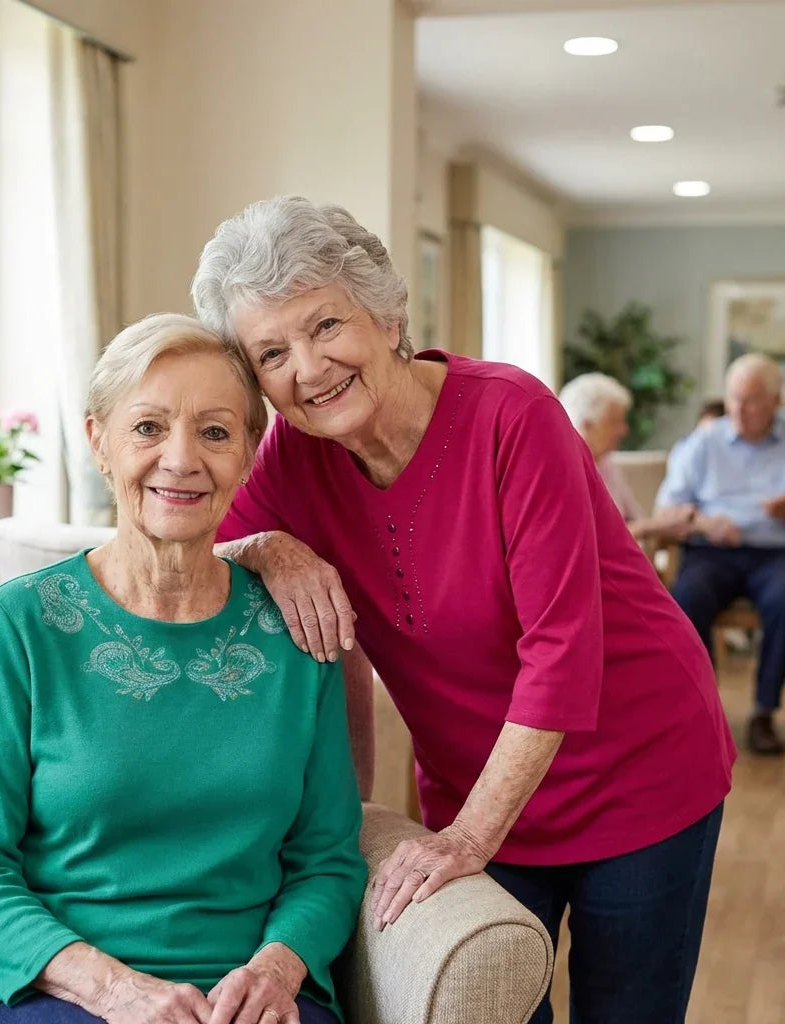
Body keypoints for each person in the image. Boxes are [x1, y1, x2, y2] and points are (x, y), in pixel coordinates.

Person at [191, 196, 735, 1024]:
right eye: (272, 351)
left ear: (386, 312)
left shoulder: (511, 416)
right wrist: (267, 547)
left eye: (326, 324)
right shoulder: (291, 460)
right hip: (471, 782)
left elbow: (562, 652)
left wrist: (466, 840)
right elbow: (194, 554)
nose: (308, 367)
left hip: (638, 766)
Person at [0, 313, 366, 1024]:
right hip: (47, 985)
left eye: (216, 432)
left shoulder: (296, 629)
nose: (182, 459)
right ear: (99, 442)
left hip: (245, 993)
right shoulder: (20, 624)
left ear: (249, 453)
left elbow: (329, 860)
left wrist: (276, 970)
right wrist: (113, 990)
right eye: (149, 428)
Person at [656, 353, 785, 756]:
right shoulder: (702, 444)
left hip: (775, 554)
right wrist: (701, 521)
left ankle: (763, 712)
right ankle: (701, 710)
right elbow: (666, 511)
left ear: (776, 401)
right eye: (733, 399)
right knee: (687, 599)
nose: (739, 411)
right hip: (712, 552)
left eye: (751, 401)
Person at [558, 371, 694, 540]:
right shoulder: (563, 472)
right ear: (587, 426)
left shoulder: (607, 464)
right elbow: (593, 541)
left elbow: (636, 520)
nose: (624, 430)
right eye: (615, 421)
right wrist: (646, 528)